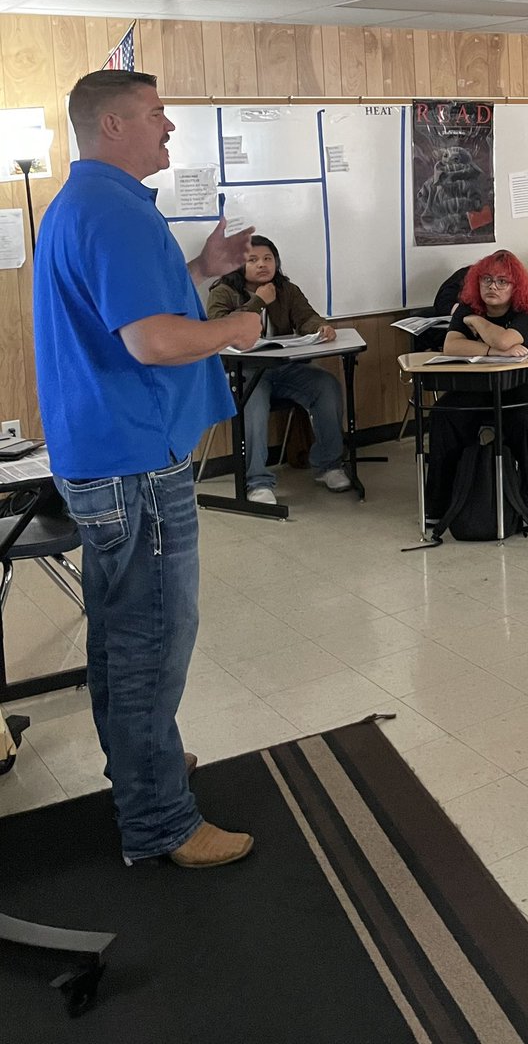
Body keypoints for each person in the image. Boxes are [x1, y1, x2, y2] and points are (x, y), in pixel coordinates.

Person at [32, 69, 259, 868]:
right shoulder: (111, 211)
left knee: (121, 633)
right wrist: (234, 326)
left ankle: (139, 766)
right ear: (113, 125)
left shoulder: (90, 204)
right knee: (150, 639)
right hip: (133, 459)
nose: (169, 128)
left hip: (104, 451)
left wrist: (200, 271)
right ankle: (161, 820)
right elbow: (153, 342)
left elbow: (135, 309)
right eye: (157, 115)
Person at [206, 235, 349, 504]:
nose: (262, 265)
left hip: (282, 368)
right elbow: (219, 329)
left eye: (268, 259)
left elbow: (306, 316)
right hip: (241, 373)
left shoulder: (286, 289)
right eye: (253, 260)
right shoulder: (223, 292)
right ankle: (258, 482)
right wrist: (258, 301)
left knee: (326, 386)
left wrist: (320, 327)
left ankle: (328, 465)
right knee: (254, 400)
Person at [425, 250, 528, 522]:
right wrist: (490, 348)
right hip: (476, 388)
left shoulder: (527, 312)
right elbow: (451, 346)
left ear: (515, 286)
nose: (492, 287)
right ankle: (440, 504)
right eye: (486, 280)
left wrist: (476, 322)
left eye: (501, 282)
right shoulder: (468, 306)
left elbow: (507, 341)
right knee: (443, 415)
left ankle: (523, 500)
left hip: (521, 388)